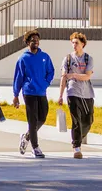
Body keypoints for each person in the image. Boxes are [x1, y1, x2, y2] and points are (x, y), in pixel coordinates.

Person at [13, 30, 54, 159]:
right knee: (32, 120)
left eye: (37, 39)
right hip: (29, 91)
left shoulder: (45, 56)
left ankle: (27, 136)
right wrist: (16, 95)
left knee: (42, 118)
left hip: (41, 91)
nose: (35, 42)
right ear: (27, 42)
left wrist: (45, 83)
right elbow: (18, 77)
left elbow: (51, 71)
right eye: (32, 40)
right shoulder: (23, 58)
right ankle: (35, 147)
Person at [57, 32, 94, 159]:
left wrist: (73, 75)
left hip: (87, 93)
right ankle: (76, 147)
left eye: (76, 43)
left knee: (88, 120)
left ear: (83, 44)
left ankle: (78, 137)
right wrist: (61, 95)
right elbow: (63, 77)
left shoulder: (88, 58)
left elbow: (88, 76)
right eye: (72, 42)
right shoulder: (67, 59)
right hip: (72, 92)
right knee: (76, 120)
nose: (74, 45)